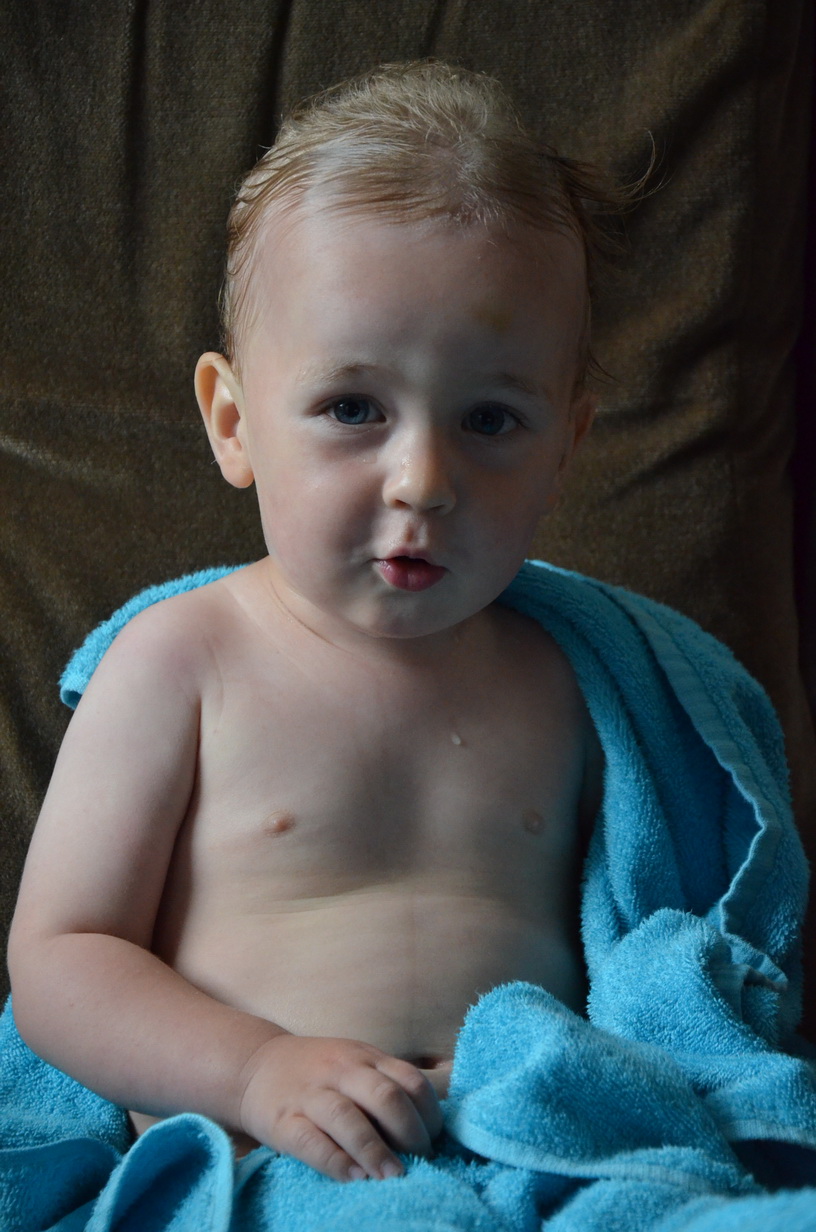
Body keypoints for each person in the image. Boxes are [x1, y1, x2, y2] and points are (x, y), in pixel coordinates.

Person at [8, 60, 629, 1184]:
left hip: (528, 1160)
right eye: (353, 407)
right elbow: (60, 957)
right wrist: (256, 1069)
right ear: (234, 421)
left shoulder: (583, 683)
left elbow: (660, 943)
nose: (423, 480)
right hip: (267, 1168)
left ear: (565, 451)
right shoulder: (183, 661)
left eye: (491, 419)